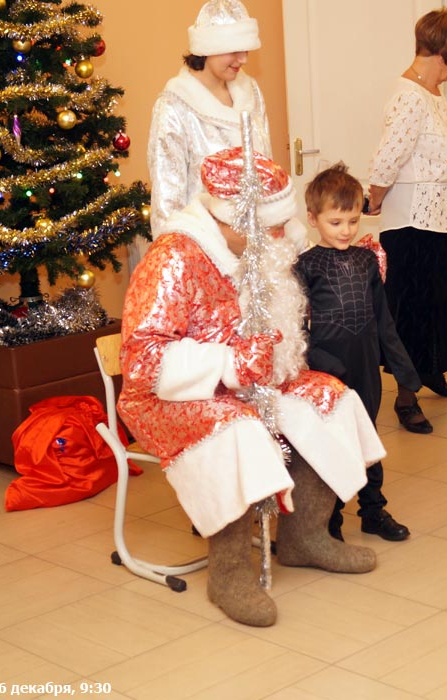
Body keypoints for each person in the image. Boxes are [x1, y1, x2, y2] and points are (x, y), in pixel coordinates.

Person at [119, 147, 384, 628]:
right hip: (171, 392)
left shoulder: (256, 251)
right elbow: (142, 361)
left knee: (330, 397)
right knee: (236, 429)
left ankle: (306, 537)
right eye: (272, 228)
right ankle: (230, 572)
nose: (283, 237)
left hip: (248, 379)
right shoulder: (173, 257)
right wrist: (228, 363)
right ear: (232, 220)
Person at [295, 163, 418, 543]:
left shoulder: (366, 262)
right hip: (326, 369)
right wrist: (317, 364)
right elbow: (297, 326)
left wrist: (404, 371)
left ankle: (373, 510)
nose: (346, 230)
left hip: (364, 363)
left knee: (367, 436)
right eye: (335, 222)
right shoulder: (305, 265)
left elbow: (384, 321)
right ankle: (328, 517)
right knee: (333, 439)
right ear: (313, 219)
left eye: (352, 221)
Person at [367, 9, 447, 434]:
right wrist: (374, 202)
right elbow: (388, 157)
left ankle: (430, 369)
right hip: (411, 219)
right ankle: (405, 396)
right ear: (443, 53)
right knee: (409, 307)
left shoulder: (433, 95)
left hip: (438, 215)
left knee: (436, 300)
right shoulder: (409, 96)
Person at [132, 0, 271, 273]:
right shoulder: (174, 105)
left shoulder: (250, 92)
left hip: (257, 250)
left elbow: (267, 167)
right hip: (203, 257)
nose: (243, 59)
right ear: (209, 48)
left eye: (246, 50)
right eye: (235, 50)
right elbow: (167, 206)